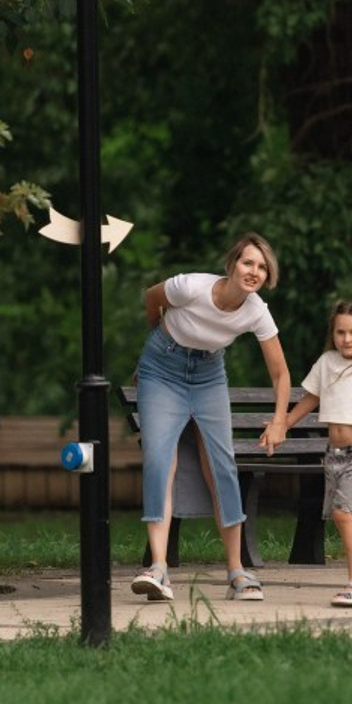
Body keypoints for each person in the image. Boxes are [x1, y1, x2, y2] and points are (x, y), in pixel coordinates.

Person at [130, 233, 291, 604]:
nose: (254, 271)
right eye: (248, 262)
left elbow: (281, 374)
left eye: (262, 267)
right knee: (158, 460)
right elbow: (152, 299)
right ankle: (157, 568)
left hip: (208, 375)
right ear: (233, 263)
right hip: (161, 369)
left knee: (222, 466)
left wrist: (279, 420)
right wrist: (155, 350)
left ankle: (237, 572)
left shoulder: (256, 310)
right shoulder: (191, 287)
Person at [260, 301, 352, 607]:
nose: (346, 339)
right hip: (333, 453)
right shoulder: (326, 362)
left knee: (343, 513)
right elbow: (310, 398)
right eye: (340, 332)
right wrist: (281, 424)